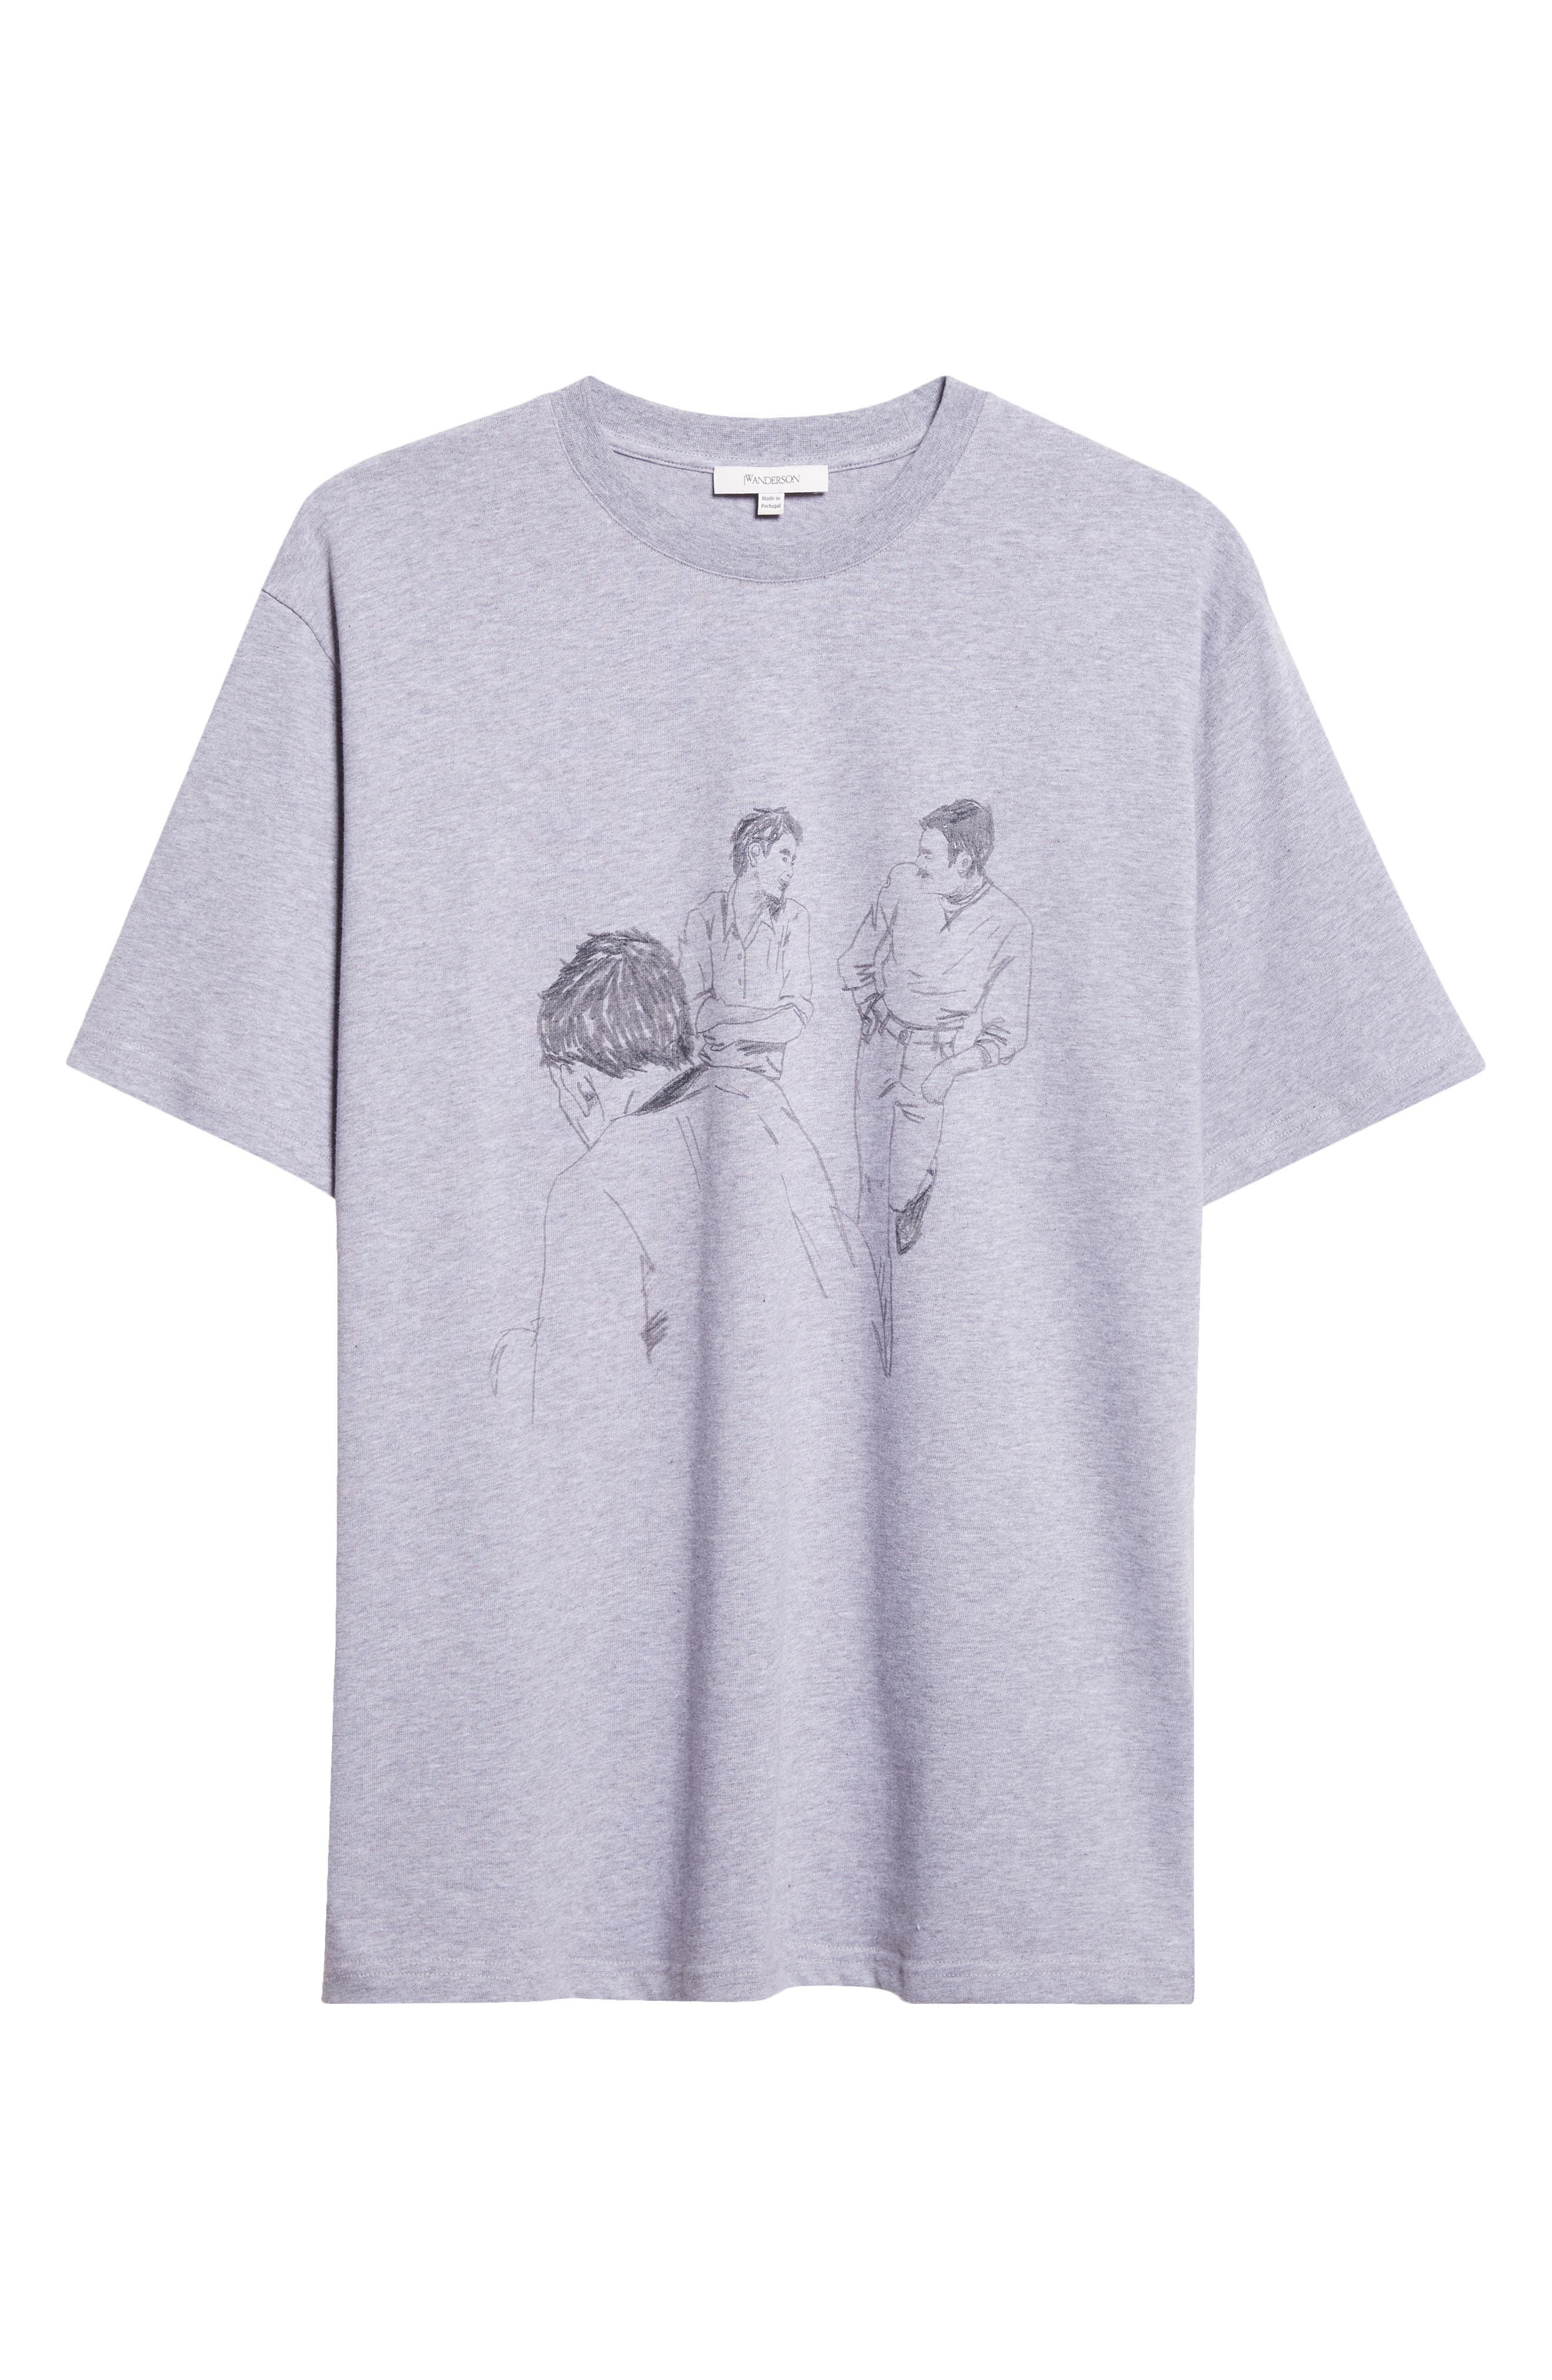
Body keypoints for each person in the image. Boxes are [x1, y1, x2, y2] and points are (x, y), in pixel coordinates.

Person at [512, 928, 868, 1423]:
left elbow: (573, 1409)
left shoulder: (592, 1184)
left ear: (577, 1082)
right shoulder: (763, 1103)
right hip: (820, 1416)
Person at [839, 800, 1033, 1370]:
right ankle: (868, 1328)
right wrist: (870, 1005)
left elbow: (1009, 1032)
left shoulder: (1009, 925)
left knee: (900, 1185)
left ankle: (918, 1190)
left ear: (965, 861)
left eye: (929, 854)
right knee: (870, 1185)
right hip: (880, 1042)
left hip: (935, 1058)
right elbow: (856, 959)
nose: (918, 862)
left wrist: (953, 1068)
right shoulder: (903, 884)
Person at [679, 808, 812, 1081]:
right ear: (755, 854)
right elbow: (694, 1012)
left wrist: (731, 1031)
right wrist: (766, 1018)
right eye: (784, 857)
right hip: (707, 1077)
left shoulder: (794, 918)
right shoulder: (704, 918)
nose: (790, 872)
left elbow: (796, 1017)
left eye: (793, 861)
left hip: (763, 1081)